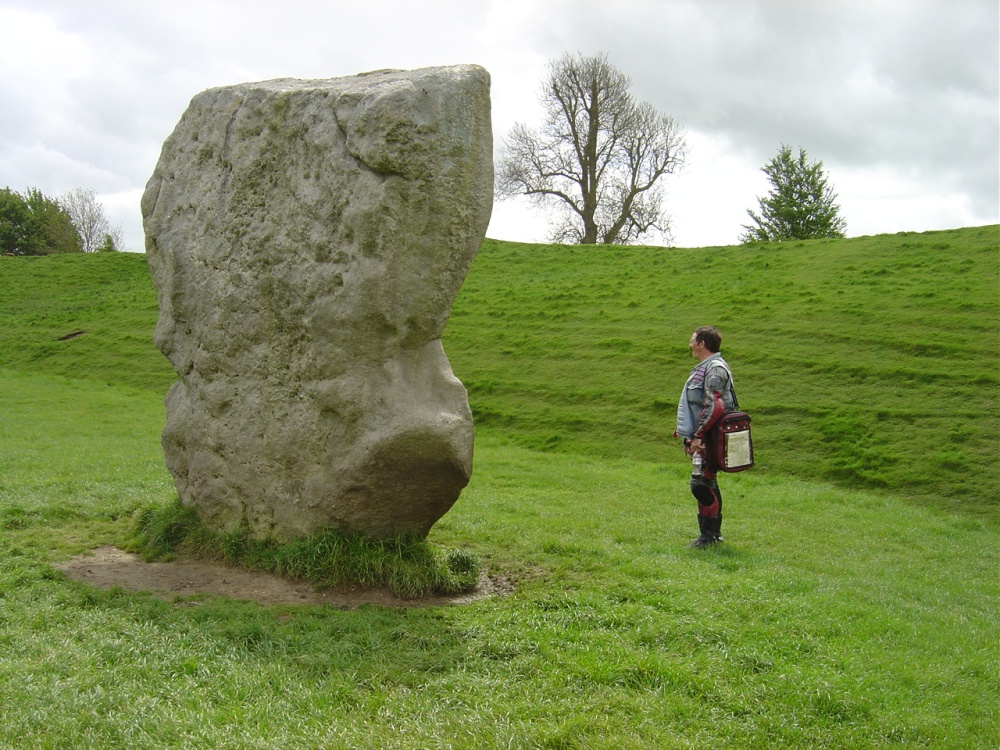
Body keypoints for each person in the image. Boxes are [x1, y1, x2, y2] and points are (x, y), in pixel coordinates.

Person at [674, 326, 737, 548]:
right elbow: (698, 405)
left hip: (710, 436)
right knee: (705, 480)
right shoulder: (706, 367)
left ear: (702, 344)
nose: (690, 344)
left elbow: (714, 405)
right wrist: (687, 435)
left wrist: (699, 436)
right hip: (704, 435)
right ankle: (712, 535)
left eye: (692, 340)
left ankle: (709, 537)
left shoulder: (715, 369)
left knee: (701, 483)